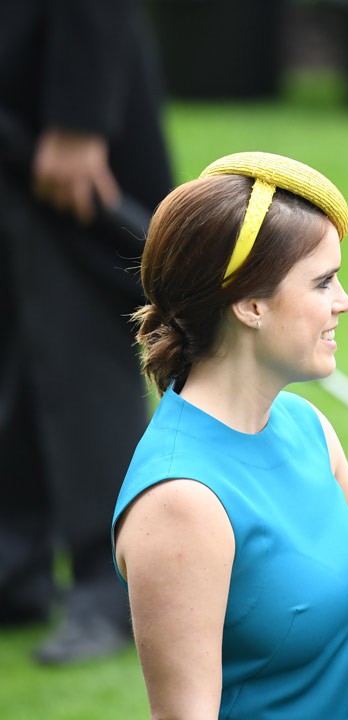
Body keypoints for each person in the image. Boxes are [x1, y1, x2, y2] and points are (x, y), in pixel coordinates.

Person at [111, 152, 348, 718]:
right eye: (323, 282)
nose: (344, 302)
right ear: (250, 304)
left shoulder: (303, 424)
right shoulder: (180, 500)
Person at [0, 0, 174, 664]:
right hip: (13, 117)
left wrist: (78, 117)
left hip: (60, 114)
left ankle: (116, 588)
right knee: (14, 344)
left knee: (79, 352)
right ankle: (14, 569)